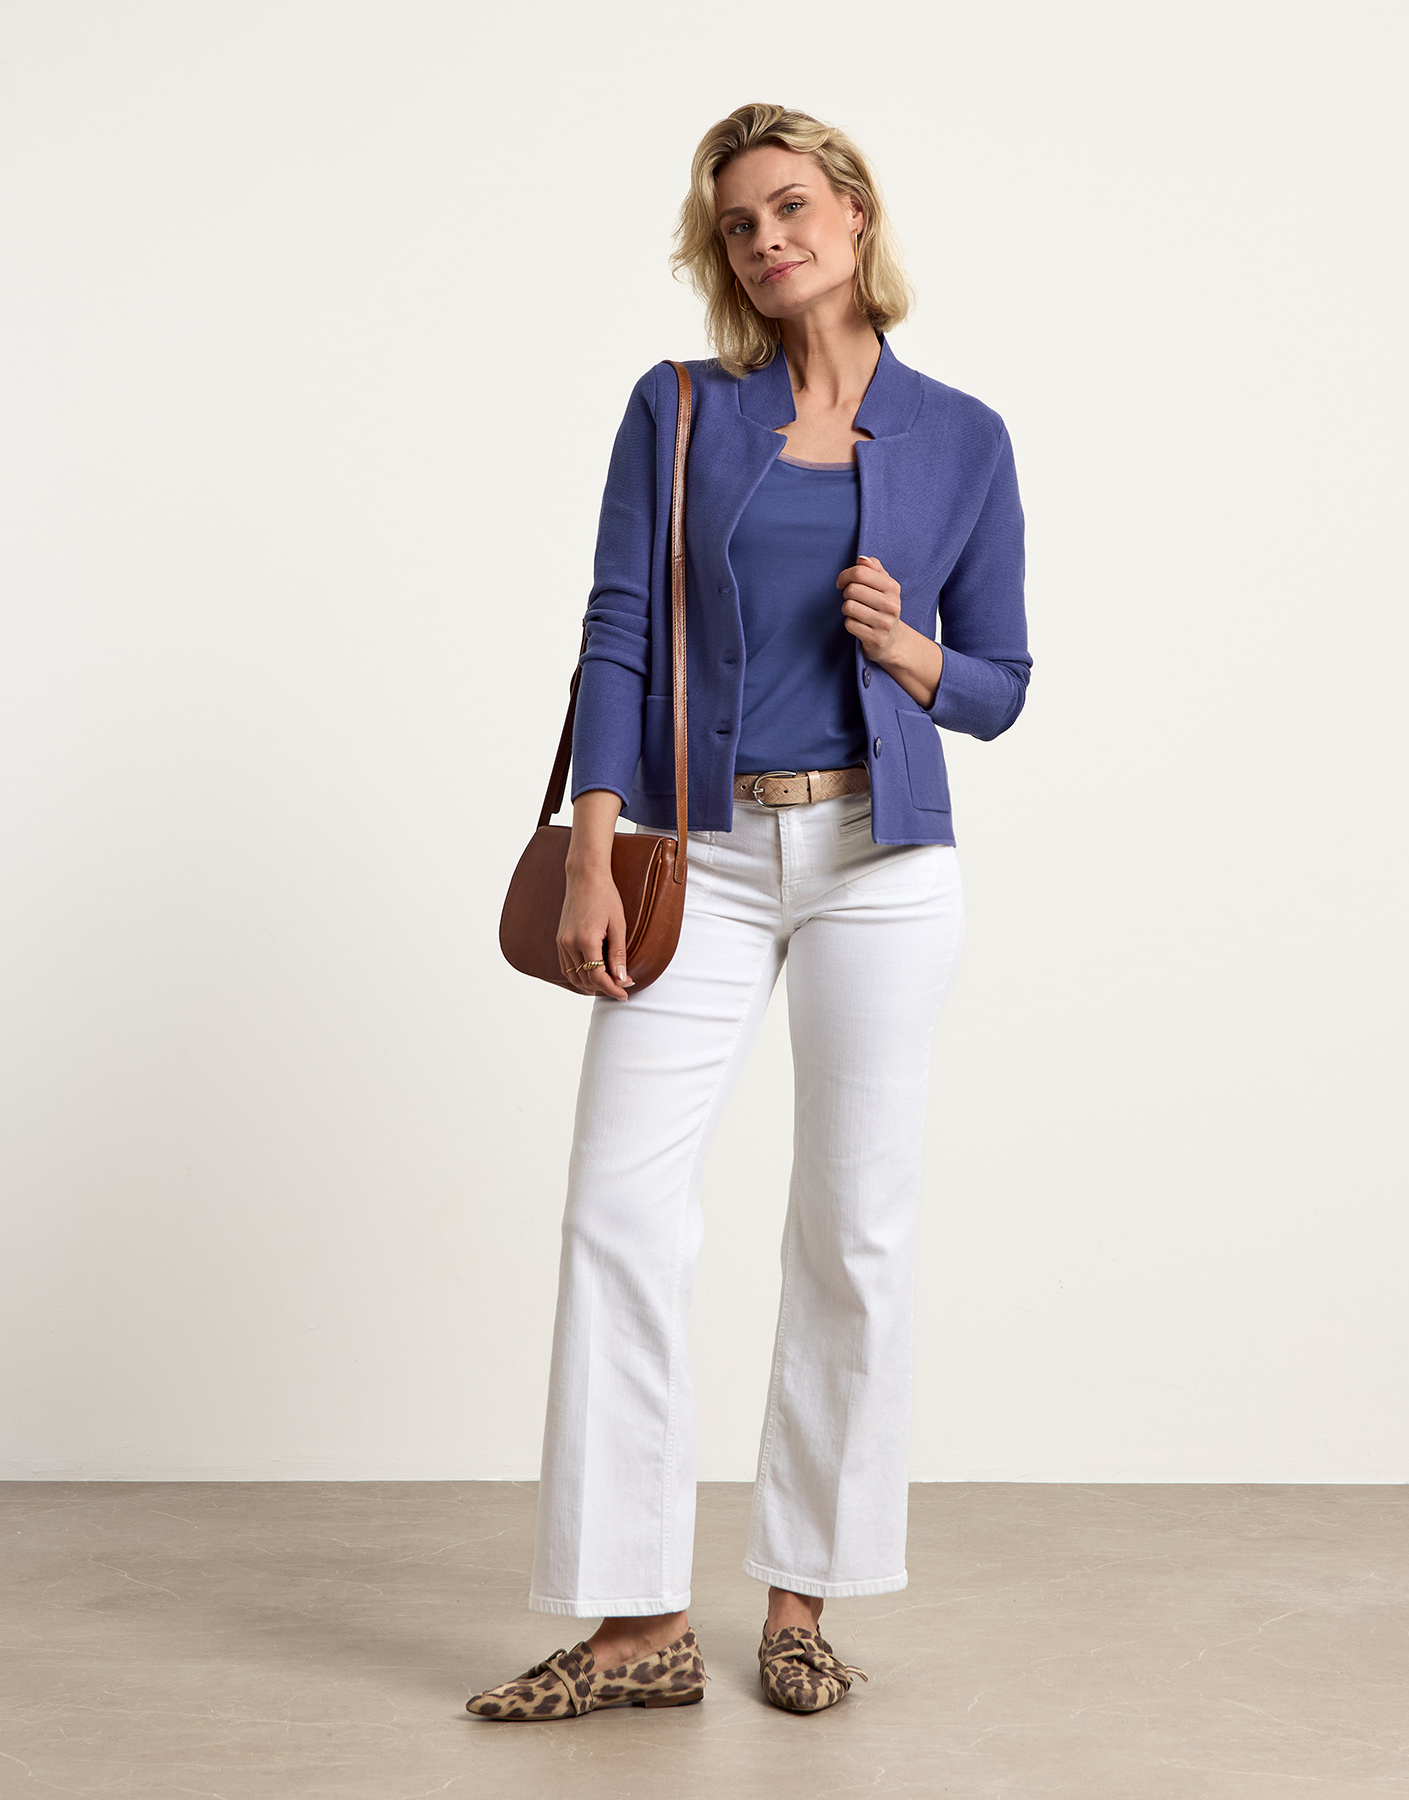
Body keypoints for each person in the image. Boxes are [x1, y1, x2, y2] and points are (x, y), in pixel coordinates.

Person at [468, 100, 1031, 1723]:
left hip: (882, 863)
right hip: (698, 857)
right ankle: (638, 1626)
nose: (767, 238)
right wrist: (594, 847)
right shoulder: (679, 410)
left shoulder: (963, 437)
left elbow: (1002, 683)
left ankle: (800, 1603)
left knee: (854, 1229)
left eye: (790, 205)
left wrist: (918, 656)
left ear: (854, 211)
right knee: (620, 1208)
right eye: (738, 223)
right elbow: (617, 628)